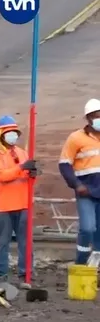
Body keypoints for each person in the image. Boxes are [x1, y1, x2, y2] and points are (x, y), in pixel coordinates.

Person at [0, 116, 36, 281]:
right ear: (0, 134)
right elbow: (2, 175)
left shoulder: (23, 153)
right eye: (9, 132)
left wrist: (32, 174)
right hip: (3, 206)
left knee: (26, 242)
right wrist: (21, 167)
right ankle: (0, 275)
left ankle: (26, 273)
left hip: (23, 204)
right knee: (3, 242)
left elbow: (27, 178)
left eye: (14, 132)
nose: (12, 135)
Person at [59, 99, 100, 264]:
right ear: (88, 118)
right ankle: (81, 262)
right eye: (96, 116)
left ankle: (96, 265)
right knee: (88, 228)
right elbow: (64, 164)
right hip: (86, 191)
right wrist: (77, 185)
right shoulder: (76, 138)